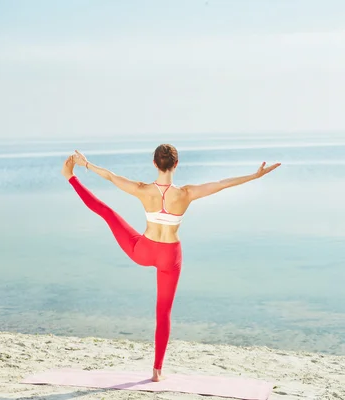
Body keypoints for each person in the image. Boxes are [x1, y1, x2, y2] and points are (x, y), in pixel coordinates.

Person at [60, 144, 280, 382]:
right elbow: (222, 183)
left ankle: (69, 179)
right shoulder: (186, 193)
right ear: (176, 164)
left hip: (143, 251)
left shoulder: (142, 190)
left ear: (155, 164)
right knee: (163, 312)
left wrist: (85, 165)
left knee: (108, 213)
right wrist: (255, 175)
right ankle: (157, 371)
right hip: (170, 256)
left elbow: (111, 176)